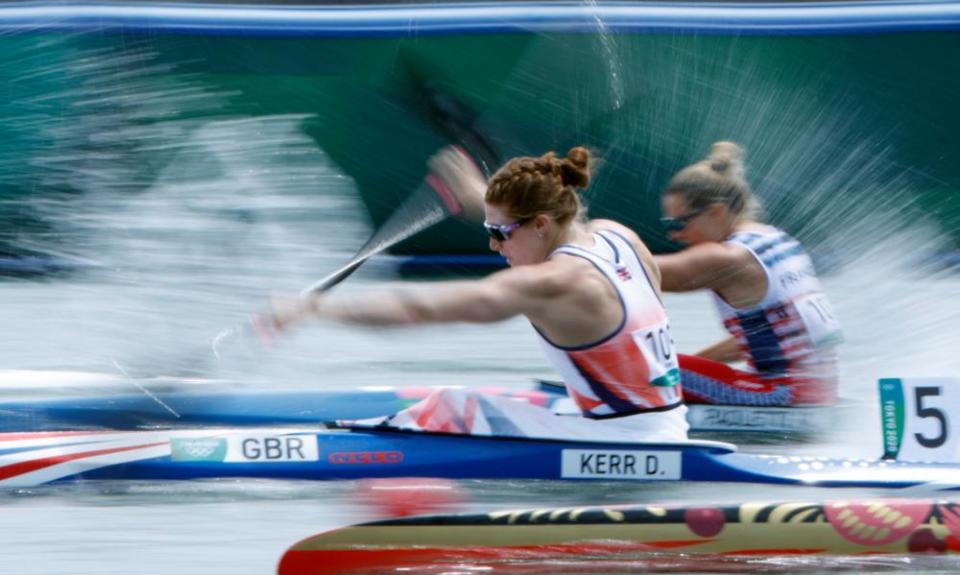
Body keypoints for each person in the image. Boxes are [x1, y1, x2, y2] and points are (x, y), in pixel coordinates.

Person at [272, 146, 688, 442]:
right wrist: (485, 201)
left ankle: (341, 444)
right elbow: (532, 222)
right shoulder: (619, 236)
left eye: (498, 234)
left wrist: (314, 308)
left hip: (622, 442)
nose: (493, 246)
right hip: (669, 425)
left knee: (454, 406)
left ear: (541, 224)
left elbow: (421, 308)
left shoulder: (558, 282)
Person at [655, 141, 842, 406]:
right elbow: (772, 339)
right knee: (674, 368)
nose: (673, 234)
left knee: (647, 369)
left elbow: (635, 271)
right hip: (818, 391)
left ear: (717, 212)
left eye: (679, 223)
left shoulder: (731, 258)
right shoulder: (779, 240)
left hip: (784, 393)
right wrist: (696, 368)